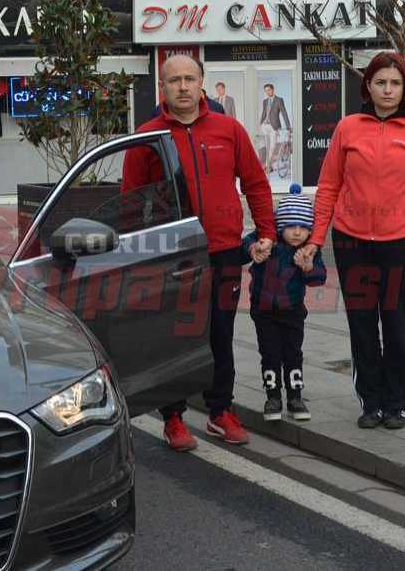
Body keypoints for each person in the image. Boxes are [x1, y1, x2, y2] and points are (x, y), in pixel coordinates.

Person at [123, 54, 276, 452]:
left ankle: (220, 410)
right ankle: (173, 417)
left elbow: (256, 183)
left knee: (220, 333)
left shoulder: (229, 130)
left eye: (190, 78)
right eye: (174, 80)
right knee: (176, 336)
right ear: (162, 87)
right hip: (173, 255)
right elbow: (130, 200)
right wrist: (137, 252)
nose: (183, 86)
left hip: (223, 250)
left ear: (202, 82)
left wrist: (267, 231)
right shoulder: (147, 136)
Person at [300, 52, 405, 431]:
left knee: (394, 326)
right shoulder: (348, 128)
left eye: (395, 83)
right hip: (352, 243)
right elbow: (329, 186)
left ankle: (396, 404)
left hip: (398, 244)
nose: (388, 90)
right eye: (380, 82)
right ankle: (370, 402)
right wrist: (316, 239)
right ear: (368, 86)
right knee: (361, 326)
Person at [242, 183, 327, 422]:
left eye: (303, 227)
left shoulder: (308, 251)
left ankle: (295, 397)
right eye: (291, 226)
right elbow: (244, 244)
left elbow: (320, 277)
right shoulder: (269, 240)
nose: (297, 232)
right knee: (269, 354)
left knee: (293, 354)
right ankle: (273, 398)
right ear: (281, 226)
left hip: (293, 312)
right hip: (264, 311)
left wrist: (308, 268)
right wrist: (254, 248)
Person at [259, 84, 291, 172]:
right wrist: (261, 123)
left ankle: (268, 165)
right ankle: (268, 166)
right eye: (266, 91)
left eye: (269, 90)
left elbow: (284, 113)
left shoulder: (279, 100)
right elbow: (264, 113)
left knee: (272, 147)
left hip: (274, 126)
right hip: (265, 126)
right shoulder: (265, 101)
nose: (267, 92)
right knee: (267, 146)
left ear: (273, 90)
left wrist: (288, 126)